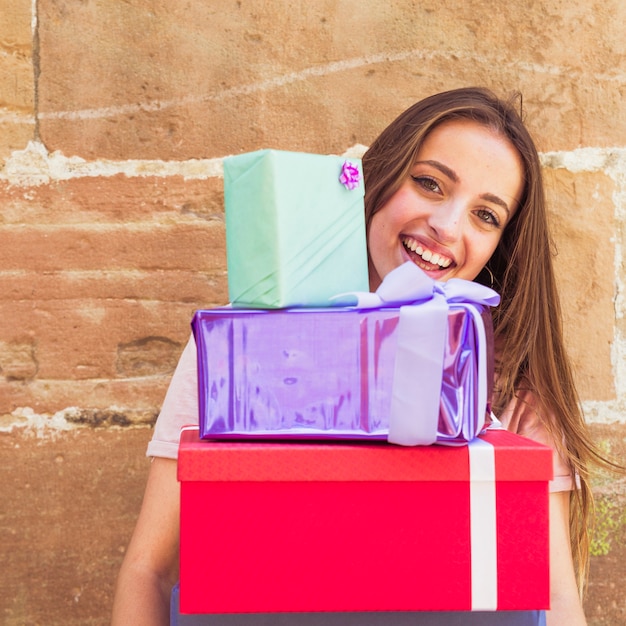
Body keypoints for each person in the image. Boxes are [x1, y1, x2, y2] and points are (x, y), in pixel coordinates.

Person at [112, 87, 610, 625]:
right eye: (428, 183)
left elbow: (556, 602)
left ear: (500, 246)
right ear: (381, 176)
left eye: (486, 216)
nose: (447, 225)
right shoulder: (244, 345)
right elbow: (149, 570)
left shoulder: (513, 389)